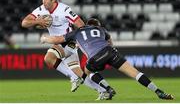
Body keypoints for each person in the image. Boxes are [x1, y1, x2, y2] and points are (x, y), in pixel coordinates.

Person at [40, 18, 174, 100]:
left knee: (87, 73)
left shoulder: (77, 32)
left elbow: (58, 39)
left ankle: (107, 89)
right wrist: (111, 55)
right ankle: (158, 91)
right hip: (110, 52)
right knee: (135, 73)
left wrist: (45, 38)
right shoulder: (102, 30)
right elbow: (110, 42)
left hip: (95, 57)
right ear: (97, 25)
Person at [21, 0, 113, 100]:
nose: (43, 2)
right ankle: (104, 90)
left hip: (70, 41)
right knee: (80, 73)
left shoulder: (64, 10)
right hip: (59, 42)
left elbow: (80, 23)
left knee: (49, 58)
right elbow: (24, 23)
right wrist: (38, 21)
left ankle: (73, 77)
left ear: (54, 0)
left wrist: (82, 40)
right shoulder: (41, 10)